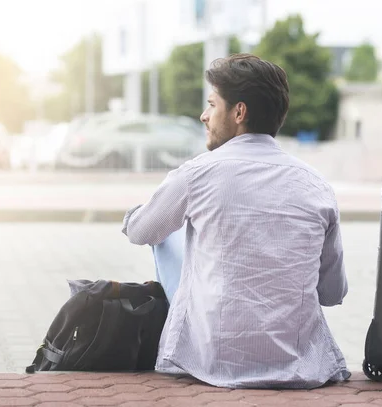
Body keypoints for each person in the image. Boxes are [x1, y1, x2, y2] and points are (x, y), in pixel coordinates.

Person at [121, 54, 350, 389]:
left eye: (212, 105)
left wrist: (140, 213)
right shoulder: (317, 184)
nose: (203, 115)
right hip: (300, 365)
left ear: (238, 113)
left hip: (215, 359)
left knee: (165, 233)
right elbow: (332, 293)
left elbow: (140, 232)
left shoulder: (198, 174)